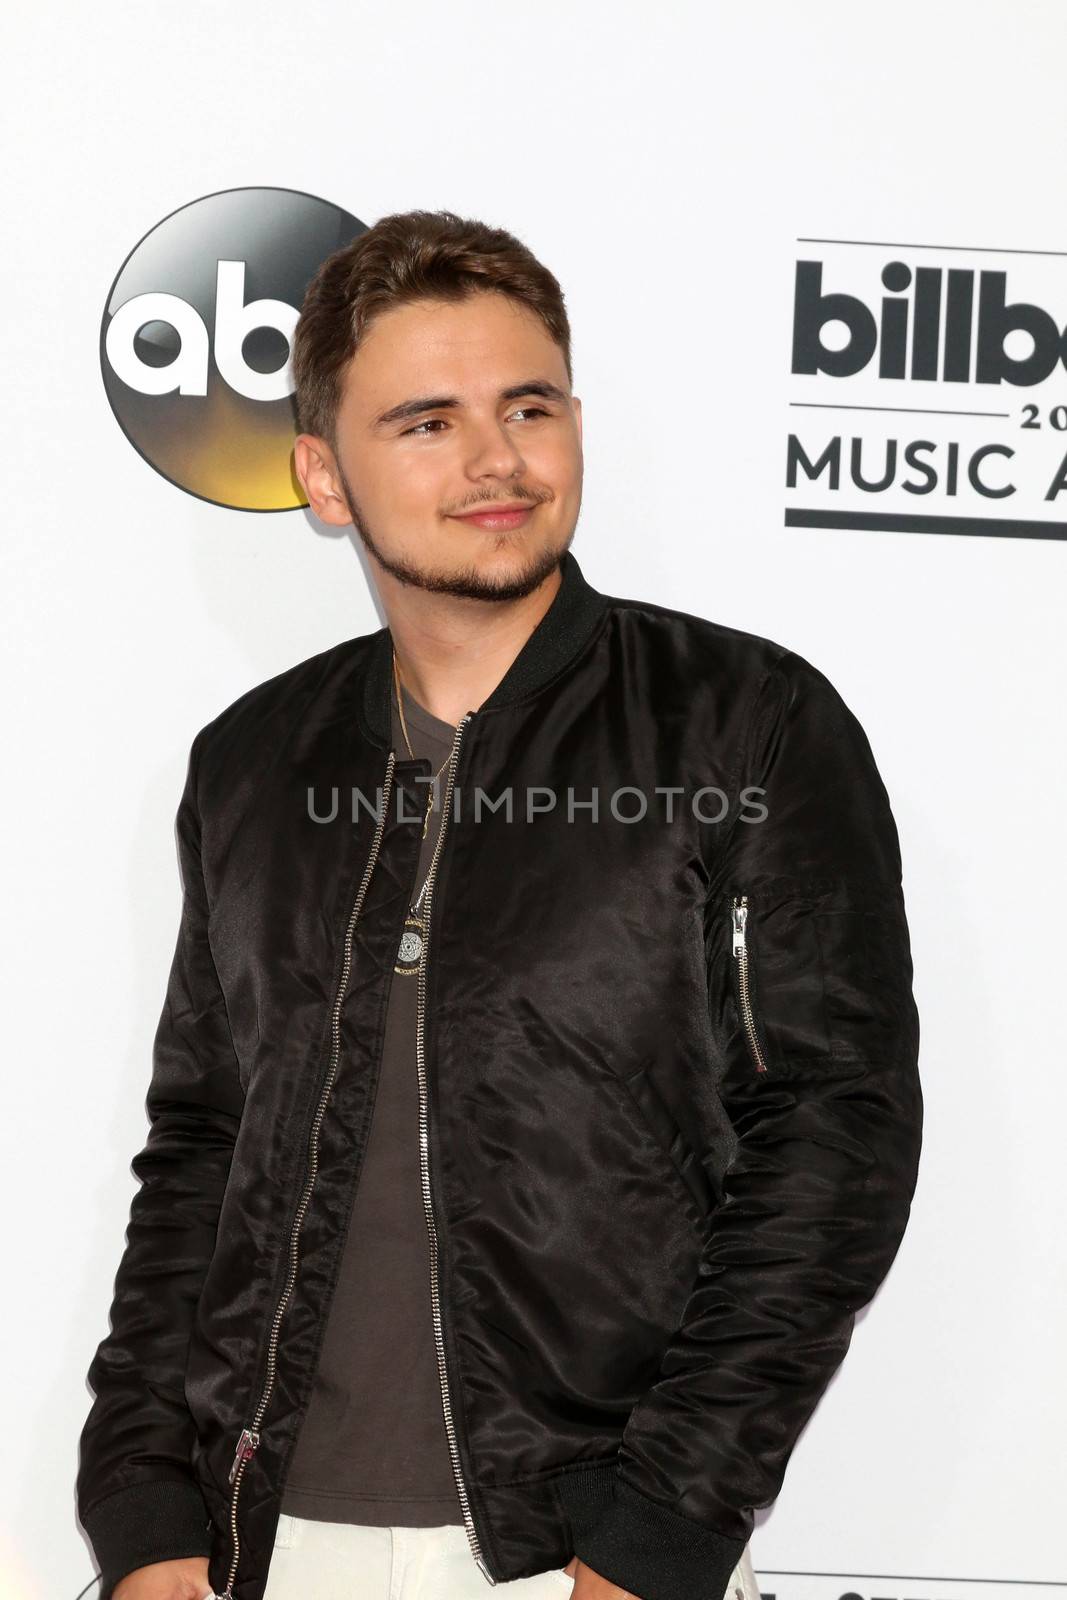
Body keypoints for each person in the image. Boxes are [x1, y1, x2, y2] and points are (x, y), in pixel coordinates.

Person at [76, 209, 924, 1600]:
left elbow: (833, 1138)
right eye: (425, 422)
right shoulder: (255, 762)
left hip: (577, 1548)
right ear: (324, 477)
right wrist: (144, 1501)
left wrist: (660, 1538)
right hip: (261, 1543)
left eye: (528, 405)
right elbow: (203, 1152)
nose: (496, 461)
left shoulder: (744, 727)